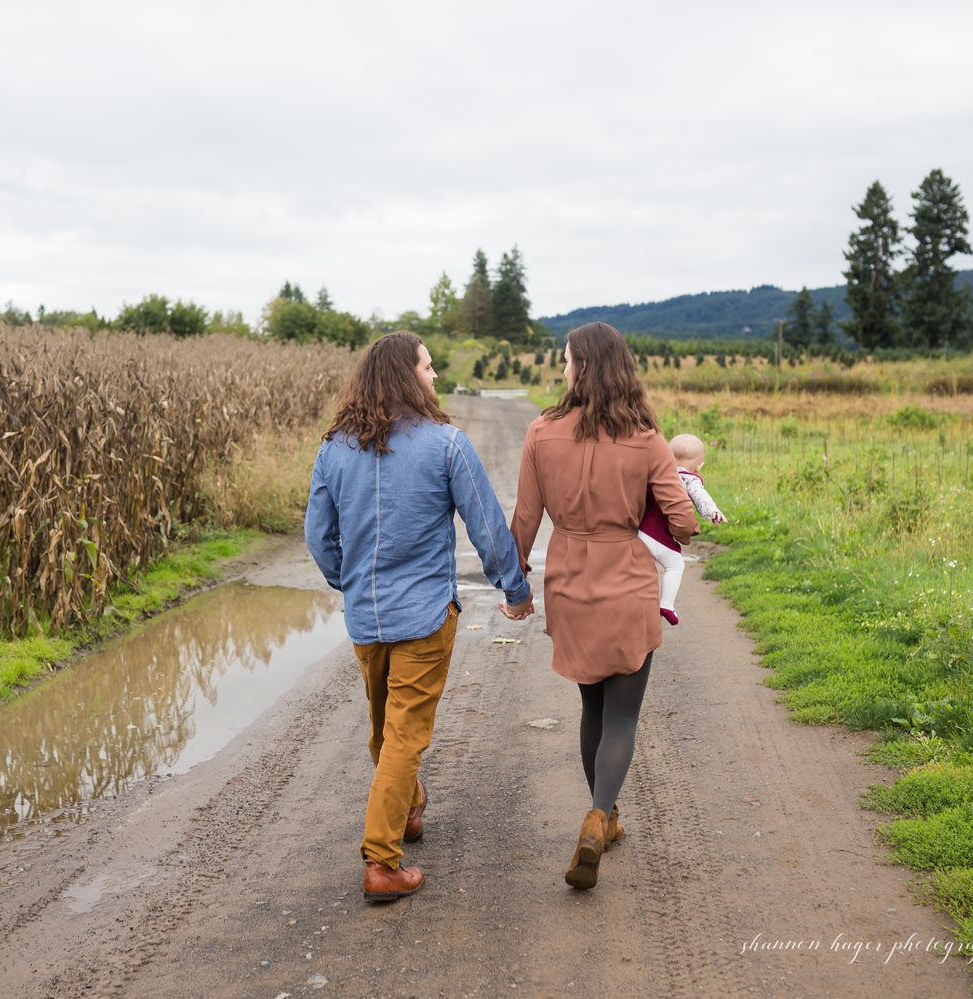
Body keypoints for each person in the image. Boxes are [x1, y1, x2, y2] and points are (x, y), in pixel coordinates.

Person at [305, 331, 533, 902]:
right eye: (428, 368)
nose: (435, 377)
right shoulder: (447, 444)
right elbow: (485, 524)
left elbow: (318, 536)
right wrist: (515, 588)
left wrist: (347, 579)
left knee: (386, 731)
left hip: (366, 617)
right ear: (408, 377)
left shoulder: (334, 448)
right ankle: (381, 863)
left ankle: (407, 808)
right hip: (426, 615)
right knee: (402, 736)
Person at [508, 322, 697, 890]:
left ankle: (605, 817)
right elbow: (684, 523)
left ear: (582, 367)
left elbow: (524, 520)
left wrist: (516, 582)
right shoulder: (646, 438)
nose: (563, 368)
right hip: (627, 581)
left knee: (593, 708)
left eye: (566, 360)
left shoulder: (541, 431)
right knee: (623, 715)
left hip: (568, 579)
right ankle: (598, 817)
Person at [636, 432, 728, 626]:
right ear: (699, 466)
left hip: (640, 533)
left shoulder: (655, 473)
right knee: (675, 565)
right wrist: (713, 512)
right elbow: (700, 497)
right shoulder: (689, 479)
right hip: (659, 538)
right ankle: (667, 604)